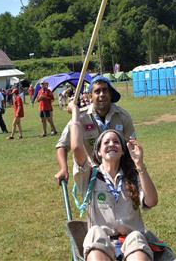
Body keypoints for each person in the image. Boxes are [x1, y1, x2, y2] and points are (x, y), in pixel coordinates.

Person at [69, 101, 158, 261]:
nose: (111, 144)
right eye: (106, 142)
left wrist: (140, 165)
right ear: (98, 152)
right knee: (95, 233)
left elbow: (151, 201)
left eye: (116, 142)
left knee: (137, 237)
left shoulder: (133, 175)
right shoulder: (90, 176)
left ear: (123, 151)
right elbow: (76, 147)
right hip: (101, 243)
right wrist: (75, 114)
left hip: (131, 242)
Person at [55, 75, 135, 184]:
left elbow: (132, 146)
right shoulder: (80, 118)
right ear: (90, 97)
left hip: (118, 174)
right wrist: (63, 168)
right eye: (97, 91)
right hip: (91, 176)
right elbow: (62, 145)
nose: (102, 94)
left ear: (110, 94)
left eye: (105, 90)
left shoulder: (123, 116)